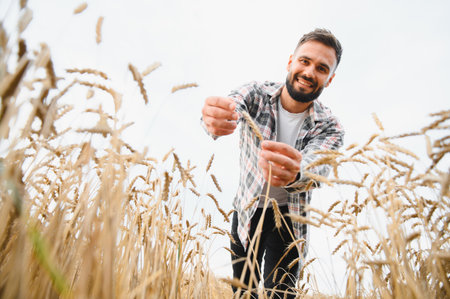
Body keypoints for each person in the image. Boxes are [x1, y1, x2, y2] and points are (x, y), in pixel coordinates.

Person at [201, 28, 344, 298]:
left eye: (322, 68)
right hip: (247, 210)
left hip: (289, 218)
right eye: (305, 61)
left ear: (330, 78)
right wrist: (215, 119)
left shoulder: (330, 126)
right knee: (243, 291)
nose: (310, 72)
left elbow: (319, 166)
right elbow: (232, 105)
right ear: (291, 61)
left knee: (282, 294)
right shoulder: (256, 94)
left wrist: (296, 172)